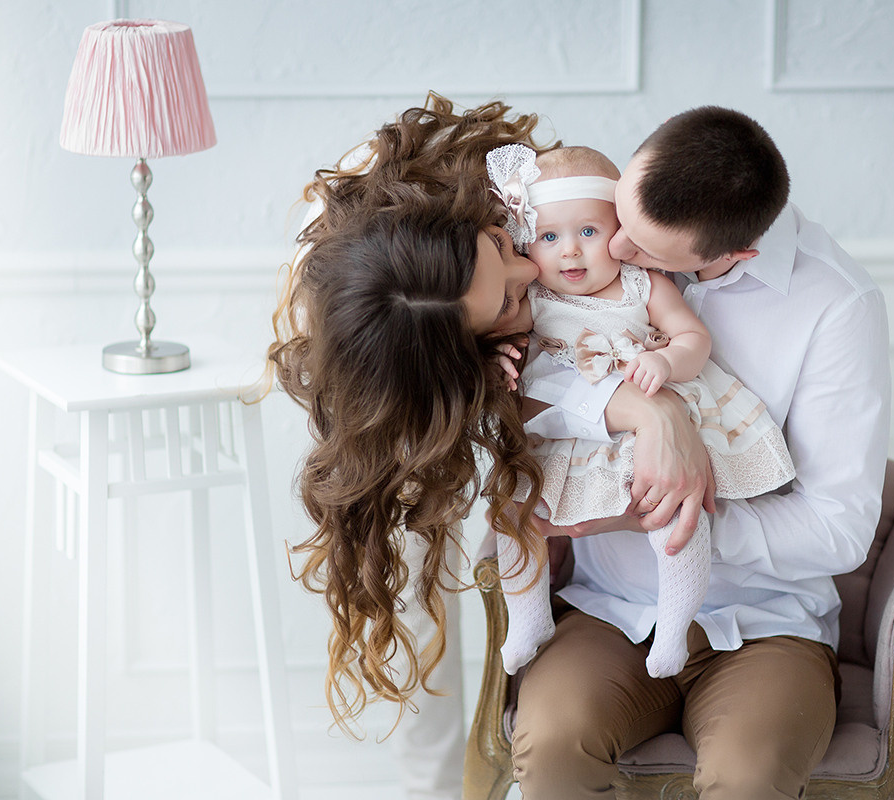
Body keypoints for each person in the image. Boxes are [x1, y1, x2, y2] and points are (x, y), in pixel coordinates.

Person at [268, 94, 701, 800]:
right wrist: (499, 383)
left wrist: (654, 409)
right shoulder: (407, 361)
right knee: (415, 582)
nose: (534, 273)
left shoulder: (474, 201)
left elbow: (580, 283)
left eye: (502, 249)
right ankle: (436, 788)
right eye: (505, 304)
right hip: (386, 394)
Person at [509, 107, 891, 800]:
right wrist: (648, 413)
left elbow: (841, 528)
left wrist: (657, 515)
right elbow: (522, 391)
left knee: (747, 778)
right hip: (609, 608)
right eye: (618, 214)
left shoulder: (836, 306)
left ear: (734, 255)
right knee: (554, 747)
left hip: (764, 623)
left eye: (647, 253)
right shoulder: (591, 243)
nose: (614, 250)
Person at [484, 143, 794, 680]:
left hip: (648, 414)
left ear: (620, 233)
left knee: (671, 504)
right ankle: (528, 617)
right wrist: (496, 355)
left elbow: (693, 336)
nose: (570, 254)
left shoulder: (643, 284)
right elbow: (494, 332)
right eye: (549, 237)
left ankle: (675, 625)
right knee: (513, 509)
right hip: (572, 439)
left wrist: (669, 361)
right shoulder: (534, 297)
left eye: (588, 232)